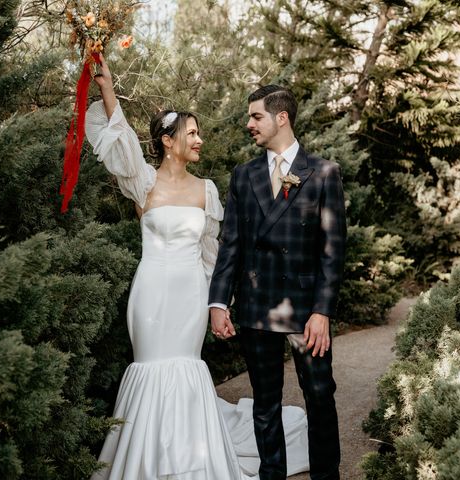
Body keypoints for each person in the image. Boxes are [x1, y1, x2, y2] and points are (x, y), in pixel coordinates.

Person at [86, 58, 309, 480]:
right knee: (150, 366)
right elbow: (121, 142)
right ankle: (147, 465)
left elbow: (213, 254)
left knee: (187, 367)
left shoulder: (206, 190)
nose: (199, 139)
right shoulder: (143, 182)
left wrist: (218, 304)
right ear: (168, 142)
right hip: (150, 291)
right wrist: (107, 87)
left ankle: (193, 463)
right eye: (191, 133)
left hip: (190, 292)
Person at [209, 85, 347, 480]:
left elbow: (332, 251)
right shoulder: (244, 174)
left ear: (280, 118)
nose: (248, 124)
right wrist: (219, 301)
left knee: (320, 397)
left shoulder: (322, 173)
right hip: (256, 303)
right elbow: (230, 242)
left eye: (256, 116)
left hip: (306, 310)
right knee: (264, 405)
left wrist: (322, 311)